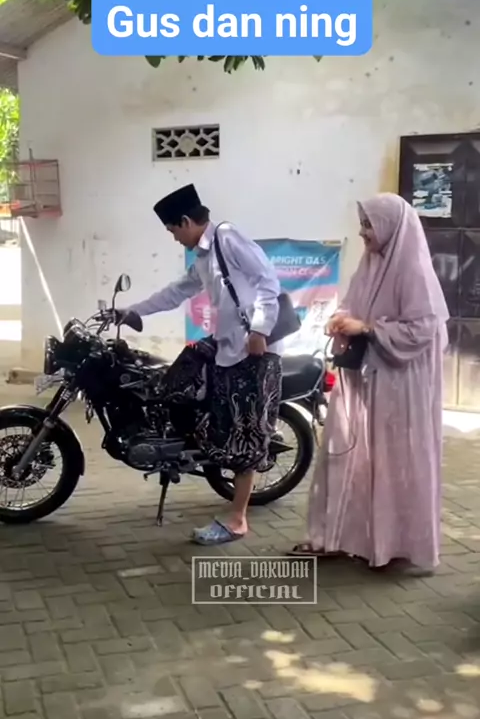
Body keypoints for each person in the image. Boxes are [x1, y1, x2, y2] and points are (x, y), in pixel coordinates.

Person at [289, 193, 449, 575]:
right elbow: (354, 305)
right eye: (362, 224)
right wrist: (342, 320)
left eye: (368, 225)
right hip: (364, 381)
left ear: (391, 227)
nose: (362, 233)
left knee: (393, 463)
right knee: (350, 459)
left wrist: (368, 328)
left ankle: (393, 545)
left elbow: (423, 328)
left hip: (400, 387)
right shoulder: (370, 264)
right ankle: (337, 537)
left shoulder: (414, 271)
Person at [125, 184, 282, 545]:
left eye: (172, 230)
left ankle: (237, 521)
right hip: (228, 347)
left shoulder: (227, 237)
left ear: (185, 221)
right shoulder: (203, 256)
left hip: (252, 351)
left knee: (244, 433)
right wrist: (132, 311)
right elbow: (176, 292)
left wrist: (260, 329)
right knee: (176, 379)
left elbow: (268, 281)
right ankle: (185, 448)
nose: (174, 238)